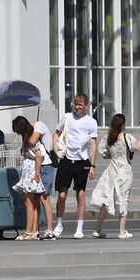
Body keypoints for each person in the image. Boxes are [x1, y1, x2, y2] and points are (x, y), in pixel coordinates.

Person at [89, 115, 140, 239]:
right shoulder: (126, 137)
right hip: (124, 171)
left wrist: (113, 156)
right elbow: (137, 147)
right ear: (123, 125)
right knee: (123, 198)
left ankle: (97, 228)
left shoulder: (109, 138)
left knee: (107, 198)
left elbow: (104, 154)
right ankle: (122, 231)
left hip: (112, 170)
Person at [52, 93, 99, 239]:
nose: (77, 107)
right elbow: (56, 134)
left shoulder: (91, 122)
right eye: (75, 104)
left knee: (81, 194)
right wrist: (56, 149)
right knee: (62, 194)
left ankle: (79, 228)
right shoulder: (67, 117)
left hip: (82, 161)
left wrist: (92, 165)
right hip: (66, 158)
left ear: (86, 106)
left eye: (80, 105)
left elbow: (92, 144)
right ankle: (59, 223)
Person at [9, 116, 51, 241]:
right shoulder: (28, 138)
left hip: (32, 172)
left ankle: (28, 232)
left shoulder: (31, 139)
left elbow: (39, 155)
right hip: (30, 172)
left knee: (29, 202)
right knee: (31, 202)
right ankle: (32, 231)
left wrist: (37, 174)